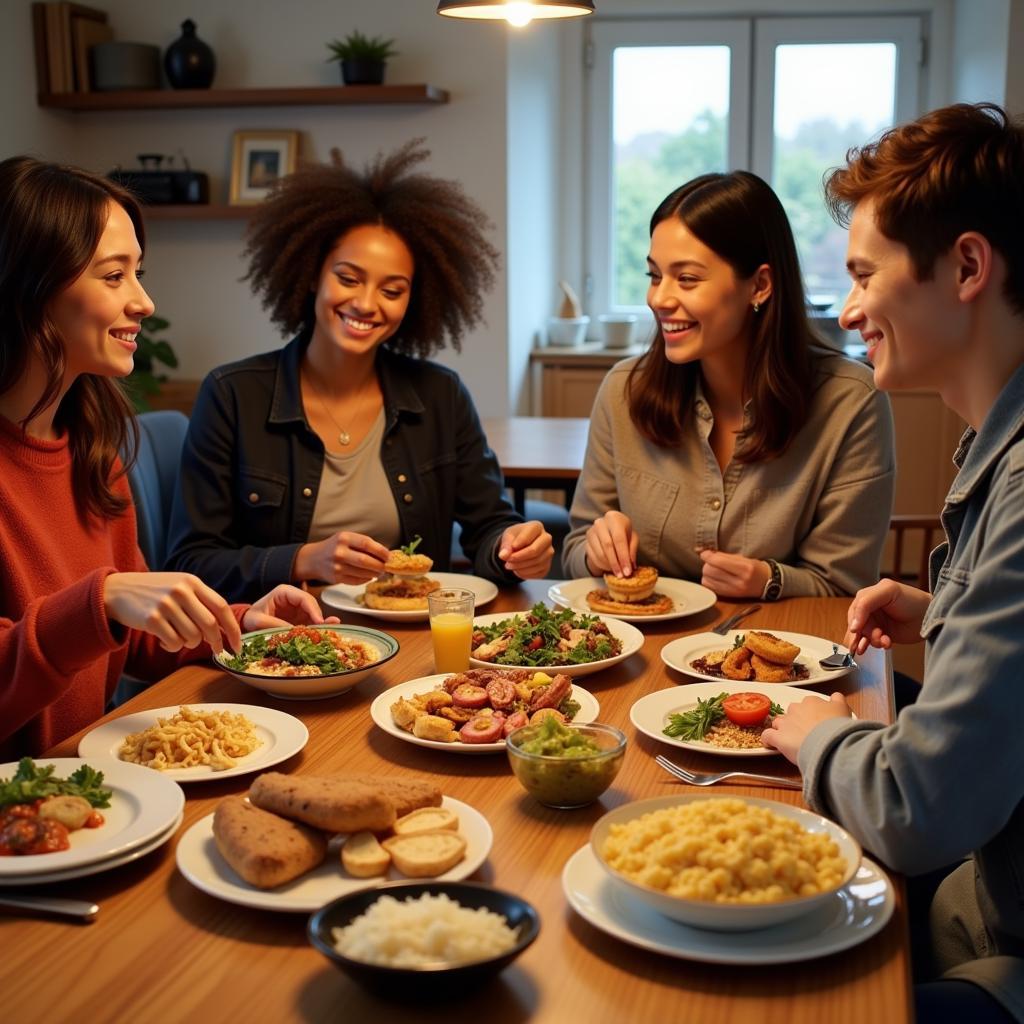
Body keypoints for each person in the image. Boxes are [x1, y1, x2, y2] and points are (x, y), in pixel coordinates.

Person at [763, 103, 1024, 1023]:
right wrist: (943, 612)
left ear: (964, 267)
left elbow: (914, 807)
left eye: (867, 275)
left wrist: (808, 732)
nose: (850, 308)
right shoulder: (998, 443)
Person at [0, 156, 333, 759]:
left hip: (87, 789)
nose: (144, 302)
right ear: (31, 285)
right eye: (113, 276)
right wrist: (100, 601)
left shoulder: (94, 449)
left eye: (138, 273)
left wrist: (235, 624)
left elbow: (127, 638)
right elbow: (96, 615)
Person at [165, 141, 553, 603]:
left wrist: (513, 549)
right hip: (282, 646)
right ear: (313, 274)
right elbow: (189, 563)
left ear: (414, 302)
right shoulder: (232, 396)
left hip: (415, 644)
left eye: (393, 289)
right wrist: (304, 559)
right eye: (348, 279)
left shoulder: (440, 395)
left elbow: (488, 526)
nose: (366, 304)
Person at [561, 171, 895, 599]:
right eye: (654, 275)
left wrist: (769, 580)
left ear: (759, 285)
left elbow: (845, 584)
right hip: (643, 655)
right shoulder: (623, 391)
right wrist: (596, 552)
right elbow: (574, 551)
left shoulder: (851, 402)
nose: (659, 299)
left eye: (686, 279)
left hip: (784, 655)